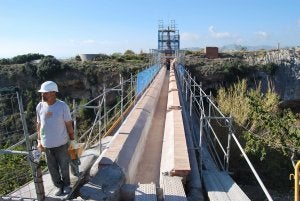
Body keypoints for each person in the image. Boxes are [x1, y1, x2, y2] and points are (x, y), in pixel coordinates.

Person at [36, 81, 76, 196]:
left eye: (44, 92)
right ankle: (59, 186)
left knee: (64, 166)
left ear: (53, 92)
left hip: (61, 143)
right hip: (47, 145)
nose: (42, 94)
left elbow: (68, 124)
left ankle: (67, 185)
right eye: (42, 92)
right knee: (52, 169)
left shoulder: (62, 106)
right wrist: (39, 141)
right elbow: (39, 125)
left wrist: (72, 140)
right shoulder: (39, 106)